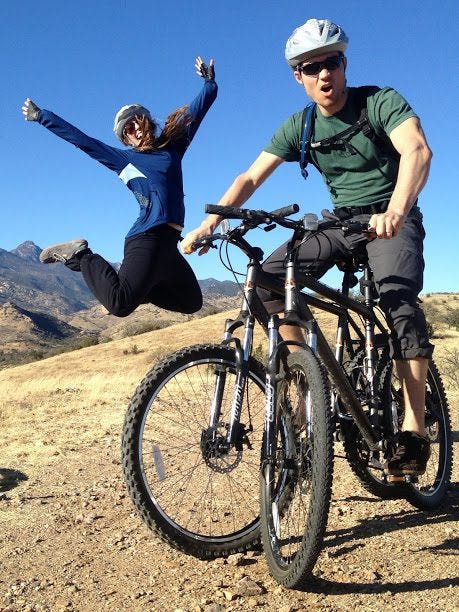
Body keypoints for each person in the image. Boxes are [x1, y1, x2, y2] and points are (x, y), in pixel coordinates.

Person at [182, 20, 433, 477]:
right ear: (297, 76)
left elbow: (416, 151)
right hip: (341, 223)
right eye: (311, 67)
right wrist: (210, 222)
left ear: (344, 63)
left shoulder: (379, 102)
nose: (324, 75)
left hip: (390, 217)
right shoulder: (300, 126)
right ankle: (306, 378)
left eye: (331, 63)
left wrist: (396, 209)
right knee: (266, 282)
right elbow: (251, 177)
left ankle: (415, 428)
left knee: (399, 304)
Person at [22, 57, 217, 318]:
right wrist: (42, 116)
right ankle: (81, 256)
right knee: (119, 305)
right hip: (145, 238)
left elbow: (195, 114)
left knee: (191, 302)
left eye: (135, 122)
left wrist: (209, 83)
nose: (133, 129)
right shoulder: (125, 160)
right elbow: (83, 141)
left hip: (169, 245)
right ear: (125, 139)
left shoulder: (172, 149)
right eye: (127, 130)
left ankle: (143, 289)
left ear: (146, 120)